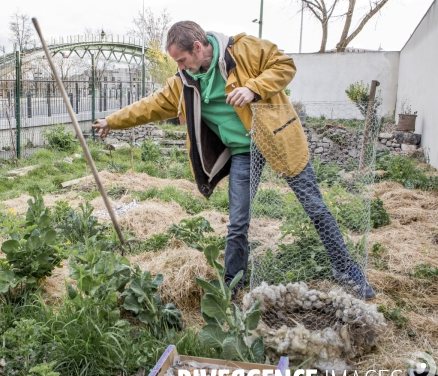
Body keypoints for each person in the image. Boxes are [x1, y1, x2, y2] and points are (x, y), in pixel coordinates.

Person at [92, 21, 376, 300]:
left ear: (198, 46)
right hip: (242, 152)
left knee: (315, 207)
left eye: (182, 59)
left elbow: (284, 65)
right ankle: (233, 282)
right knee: (238, 222)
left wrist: (253, 88)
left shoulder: (243, 50)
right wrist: (111, 121)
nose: (179, 66)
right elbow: (149, 106)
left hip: (277, 140)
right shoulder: (184, 82)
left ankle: (346, 269)